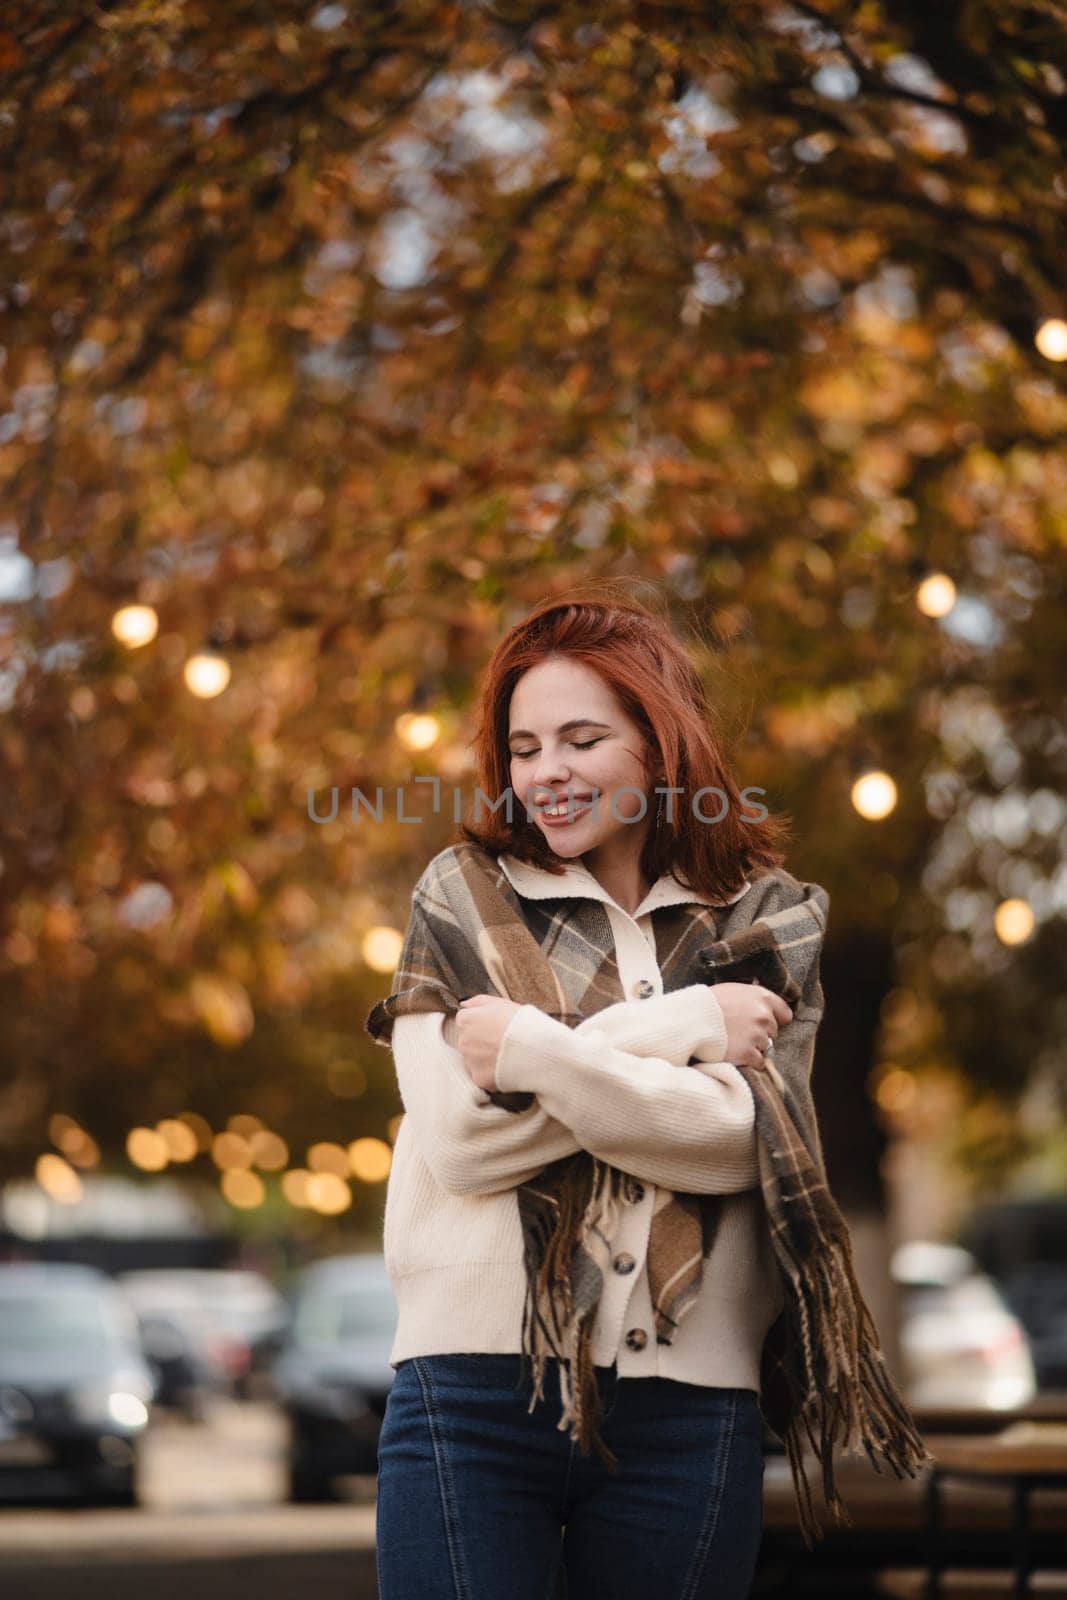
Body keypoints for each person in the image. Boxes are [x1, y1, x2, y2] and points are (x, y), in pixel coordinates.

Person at [370, 591, 811, 1600]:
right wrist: (686, 1027)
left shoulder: (763, 919)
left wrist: (523, 1048)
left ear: (659, 746)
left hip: (687, 1408)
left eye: (580, 739)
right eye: (524, 747)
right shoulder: (459, 897)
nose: (545, 773)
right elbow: (460, 1144)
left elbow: (743, 1143)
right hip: (472, 1393)